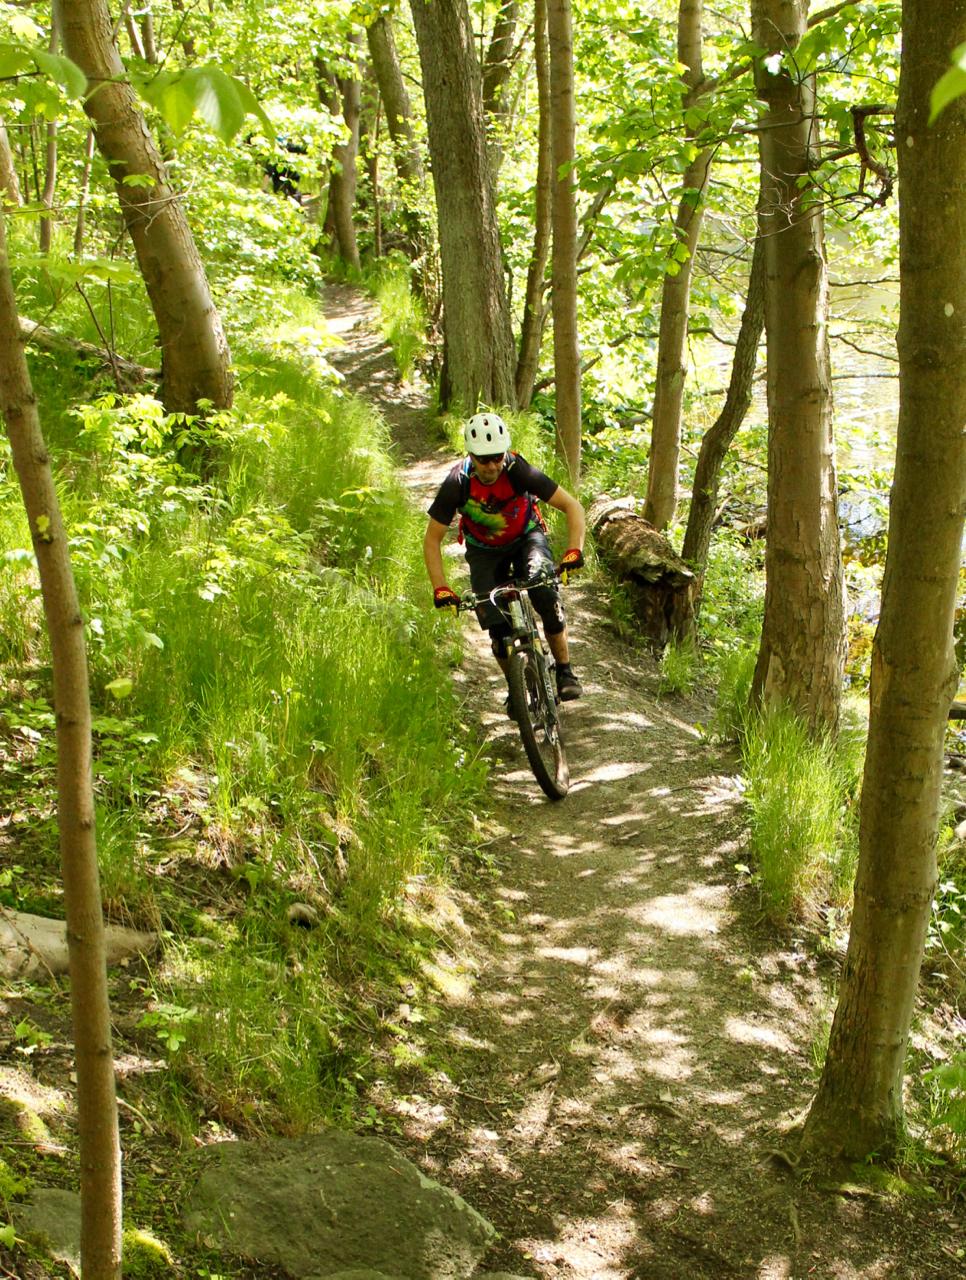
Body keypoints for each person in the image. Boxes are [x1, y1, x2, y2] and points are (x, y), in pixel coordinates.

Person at [424, 411, 586, 703]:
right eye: (484, 459)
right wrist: (441, 588)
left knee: (545, 592)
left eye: (497, 456)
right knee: (498, 631)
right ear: (471, 455)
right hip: (484, 551)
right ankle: (516, 687)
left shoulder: (516, 469)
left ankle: (565, 671)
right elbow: (432, 539)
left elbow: (572, 506)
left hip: (526, 537)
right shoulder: (457, 482)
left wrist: (574, 549)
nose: (492, 465)